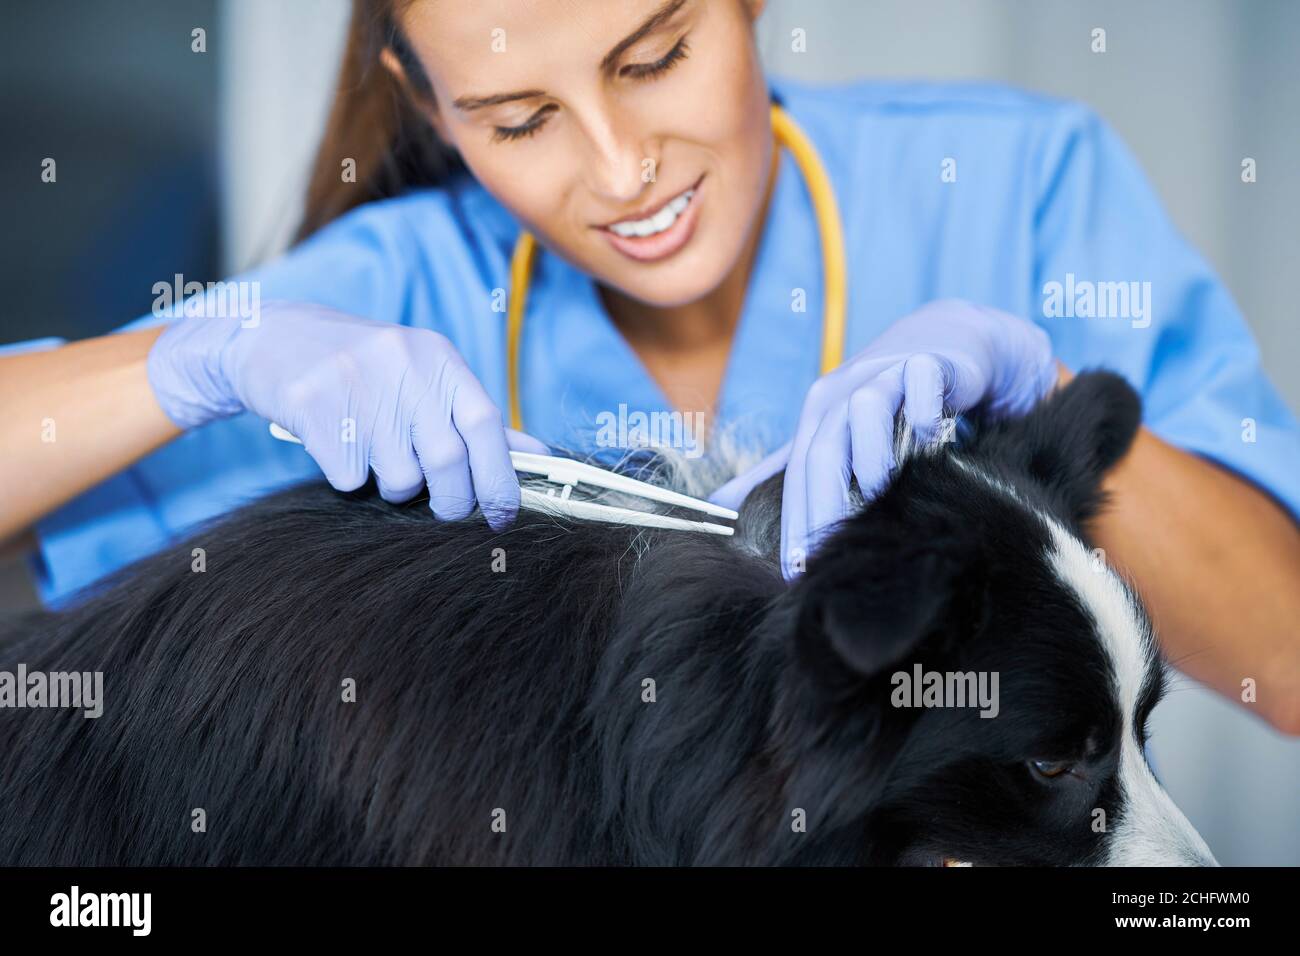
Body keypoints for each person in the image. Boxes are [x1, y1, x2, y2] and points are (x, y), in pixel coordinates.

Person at [1, 0, 1297, 732]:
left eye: (656, 56)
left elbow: (1283, 667)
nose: (623, 174)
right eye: (520, 121)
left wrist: (1036, 427)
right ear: (427, 100)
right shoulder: (400, 289)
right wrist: (197, 359)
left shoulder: (1014, 192)